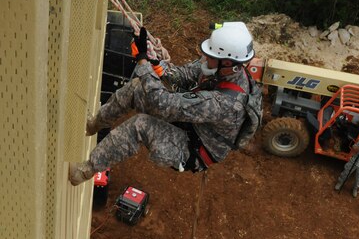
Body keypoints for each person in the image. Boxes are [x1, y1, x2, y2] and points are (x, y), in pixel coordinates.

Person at [69, 22, 257, 186]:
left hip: (192, 147)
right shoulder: (217, 66)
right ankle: (95, 124)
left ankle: (84, 171)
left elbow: (161, 103)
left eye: (210, 56)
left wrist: (142, 61)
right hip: (193, 124)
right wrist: (153, 60)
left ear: (227, 62)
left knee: (140, 125)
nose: (205, 57)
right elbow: (180, 75)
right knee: (137, 87)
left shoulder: (225, 104)